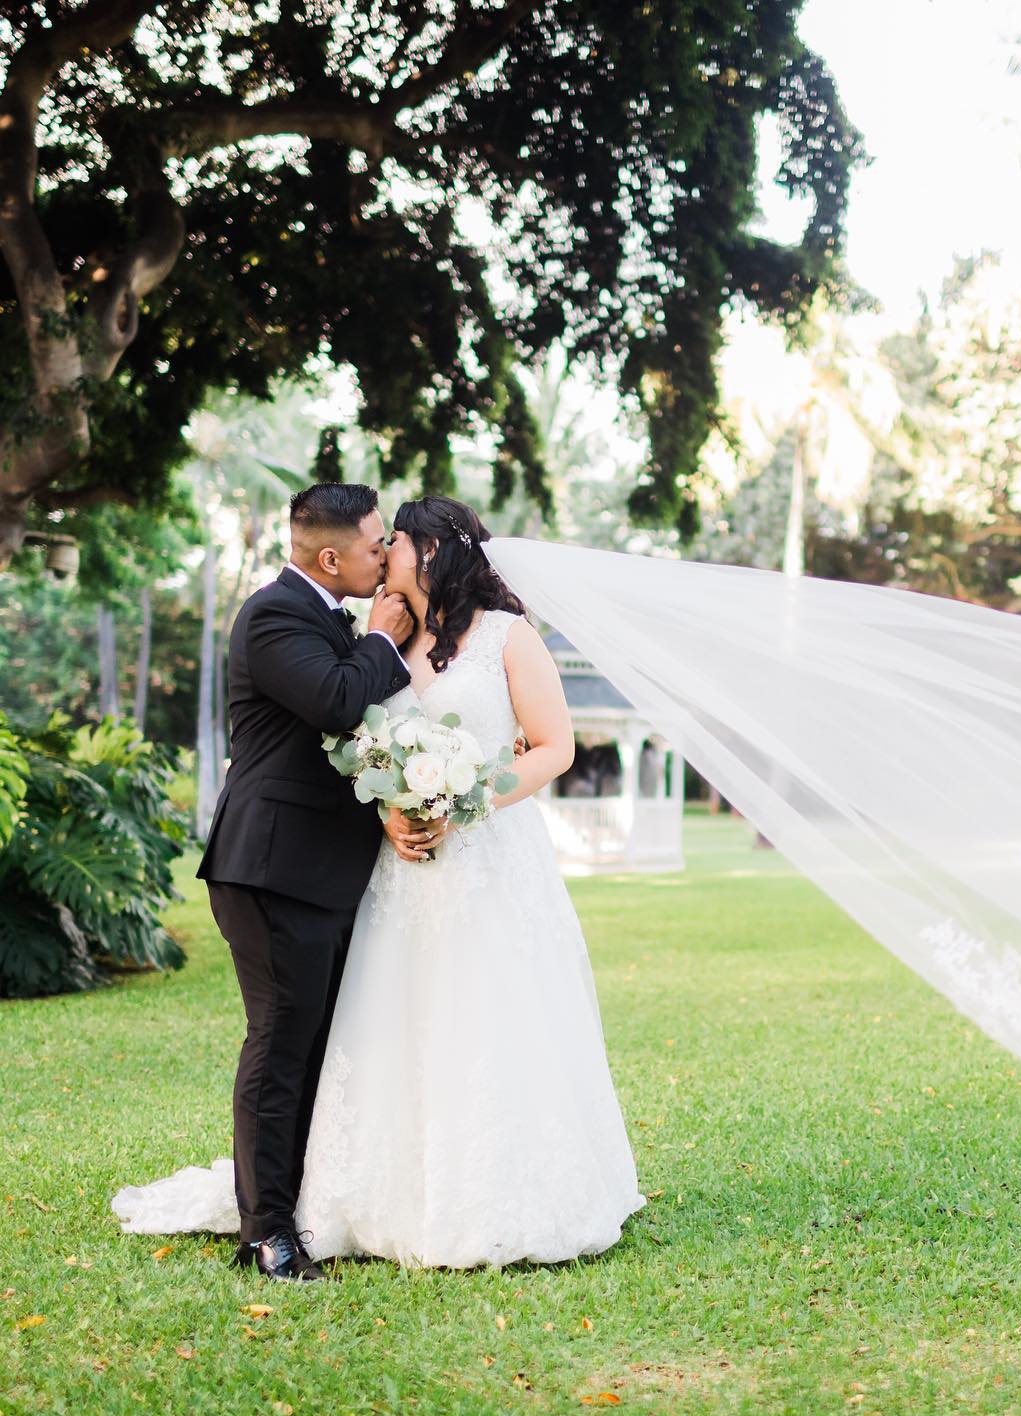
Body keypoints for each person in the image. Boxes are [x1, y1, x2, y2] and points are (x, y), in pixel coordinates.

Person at [117, 494, 646, 1276]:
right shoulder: (371, 636)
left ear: (431, 553)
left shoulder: (505, 636)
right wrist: (395, 816)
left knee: (482, 1024)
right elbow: (356, 737)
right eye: (376, 541)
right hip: (375, 875)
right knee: (368, 1029)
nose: (383, 552)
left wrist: (463, 804)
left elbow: (554, 746)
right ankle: (300, 1214)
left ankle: (491, 1192)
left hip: (484, 862)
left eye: (393, 540)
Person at [193, 482, 417, 1279]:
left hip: (320, 870)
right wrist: (385, 640)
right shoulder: (274, 615)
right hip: (272, 865)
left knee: (314, 1045)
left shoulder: (329, 619)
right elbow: (334, 701)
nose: (385, 554)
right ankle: (266, 1232)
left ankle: (296, 1203)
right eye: (373, 544)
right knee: (281, 1044)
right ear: (331, 556)